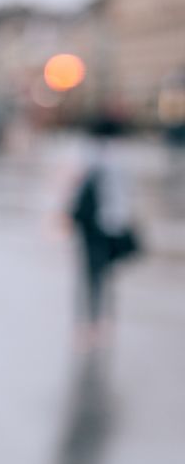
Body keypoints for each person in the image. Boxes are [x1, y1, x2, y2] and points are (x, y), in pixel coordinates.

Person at [67, 117, 140, 349]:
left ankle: (90, 320)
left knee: (90, 274)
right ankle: (99, 320)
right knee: (103, 274)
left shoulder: (93, 156)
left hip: (92, 224)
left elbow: (79, 188)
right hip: (109, 224)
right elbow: (123, 196)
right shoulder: (118, 158)